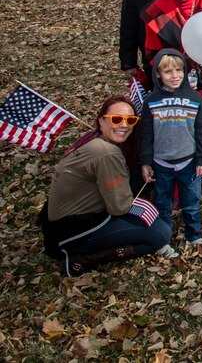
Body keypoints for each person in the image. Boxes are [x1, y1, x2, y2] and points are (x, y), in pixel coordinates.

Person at [40, 96, 174, 276]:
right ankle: (79, 259)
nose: (124, 125)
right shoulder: (107, 153)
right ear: (101, 120)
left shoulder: (92, 141)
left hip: (63, 222)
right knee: (160, 234)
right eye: (116, 119)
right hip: (74, 231)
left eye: (130, 120)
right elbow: (119, 207)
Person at [138, 49, 202, 247]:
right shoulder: (151, 101)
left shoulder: (196, 99)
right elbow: (145, 135)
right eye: (168, 72)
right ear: (158, 75)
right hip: (161, 163)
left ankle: (194, 236)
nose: (175, 76)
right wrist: (146, 162)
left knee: (191, 204)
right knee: (163, 204)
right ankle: (164, 239)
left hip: (189, 161)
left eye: (179, 70)